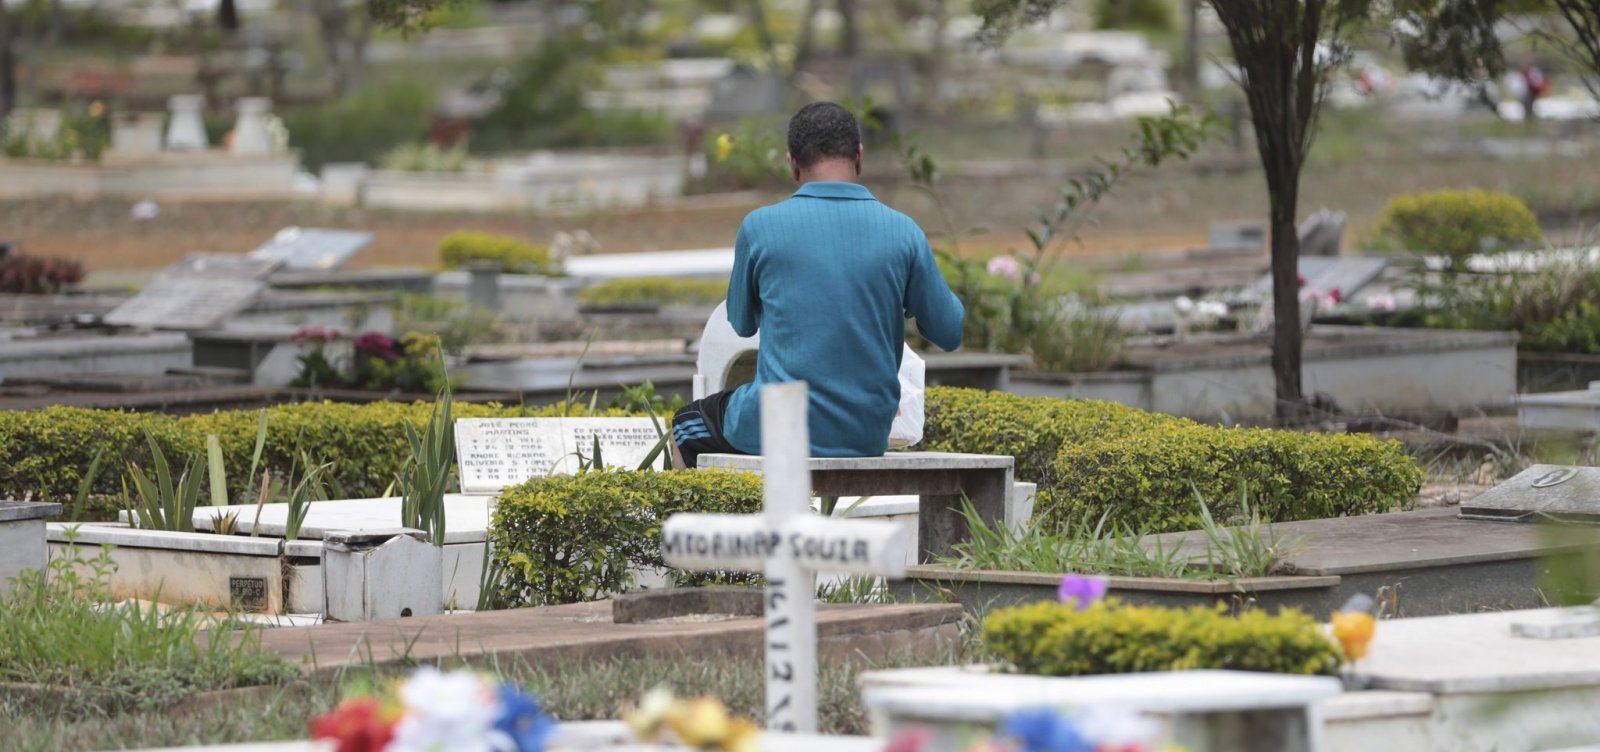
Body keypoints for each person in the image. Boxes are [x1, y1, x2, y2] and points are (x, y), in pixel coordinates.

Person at [670, 102, 965, 469]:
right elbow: (950, 332)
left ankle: (723, 524)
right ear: (859, 157)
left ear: (792, 163)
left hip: (778, 425)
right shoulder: (903, 232)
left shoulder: (760, 227)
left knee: (685, 426)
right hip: (867, 433)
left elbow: (742, 323)